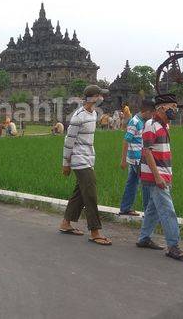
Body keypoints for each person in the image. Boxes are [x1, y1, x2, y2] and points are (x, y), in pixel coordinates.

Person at [136, 93, 183, 260]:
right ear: (160, 108)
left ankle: (144, 238)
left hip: (163, 173)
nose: (174, 110)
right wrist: (158, 176)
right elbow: (147, 152)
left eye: (175, 107)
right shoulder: (151, 125)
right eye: (171, 107)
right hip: (155, 176)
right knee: (167, 210)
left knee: (153, 210)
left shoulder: (165, 125)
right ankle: (173, 246)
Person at [58, 85, 112, 246]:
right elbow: (68, 141)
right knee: (90, 195)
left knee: (80, 193)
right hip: (79, 161)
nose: (102, 98)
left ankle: (66, 223)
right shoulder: (78, 117)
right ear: (93, 98)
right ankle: (95, 232)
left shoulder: (94, 113)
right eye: (100, 95)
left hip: (88, 159)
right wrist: (65, 164)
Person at [118, 98, 155, 216]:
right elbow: (126, 140)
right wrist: (123, 160)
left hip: (137, 158)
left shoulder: (143, 121)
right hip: (137, 159)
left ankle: (125, 208)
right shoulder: (135, 122)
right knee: (147, 185)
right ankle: (148, 212)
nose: (152, 116)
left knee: (132, 183)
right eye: (152, 113)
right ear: (148, 112)